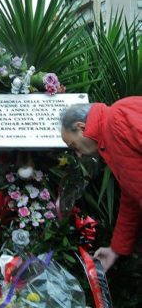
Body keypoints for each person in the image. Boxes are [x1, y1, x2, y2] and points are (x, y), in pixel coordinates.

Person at [60, 97, 142, 272]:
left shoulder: (116, 117)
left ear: (81, 128)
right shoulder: (108, 141)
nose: (79, 155)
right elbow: (132, 195)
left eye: (74, 146)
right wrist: (116, 250)